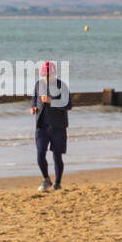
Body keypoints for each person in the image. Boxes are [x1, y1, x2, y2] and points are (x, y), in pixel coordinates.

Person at [31, 61, 72, 190]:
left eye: (49, 75)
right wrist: (33, 107)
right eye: (44, 75)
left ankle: (58, 183)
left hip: (58, 127)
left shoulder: (62, 86)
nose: (46, 78)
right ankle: (46, 179)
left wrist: (51, 101)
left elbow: (69, 105)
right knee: (40, 153)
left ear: (54, 74)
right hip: (42, 126)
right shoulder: (38, 84)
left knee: (57, 156)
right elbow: (34, 98)